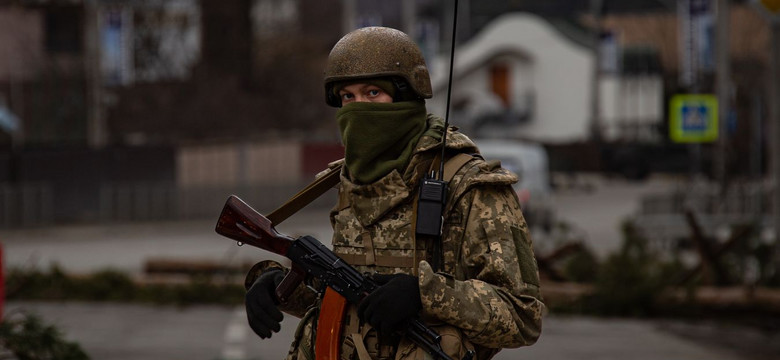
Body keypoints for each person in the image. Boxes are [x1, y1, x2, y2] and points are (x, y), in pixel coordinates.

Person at [243, 26, 545, 360]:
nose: (359, 109)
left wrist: (425, 294)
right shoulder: (347, 180)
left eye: (373, 93)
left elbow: (522, 315)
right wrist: (277, 285)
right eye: (348, 97)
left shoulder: (468, 183)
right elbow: (349, 307)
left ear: (406, 95)